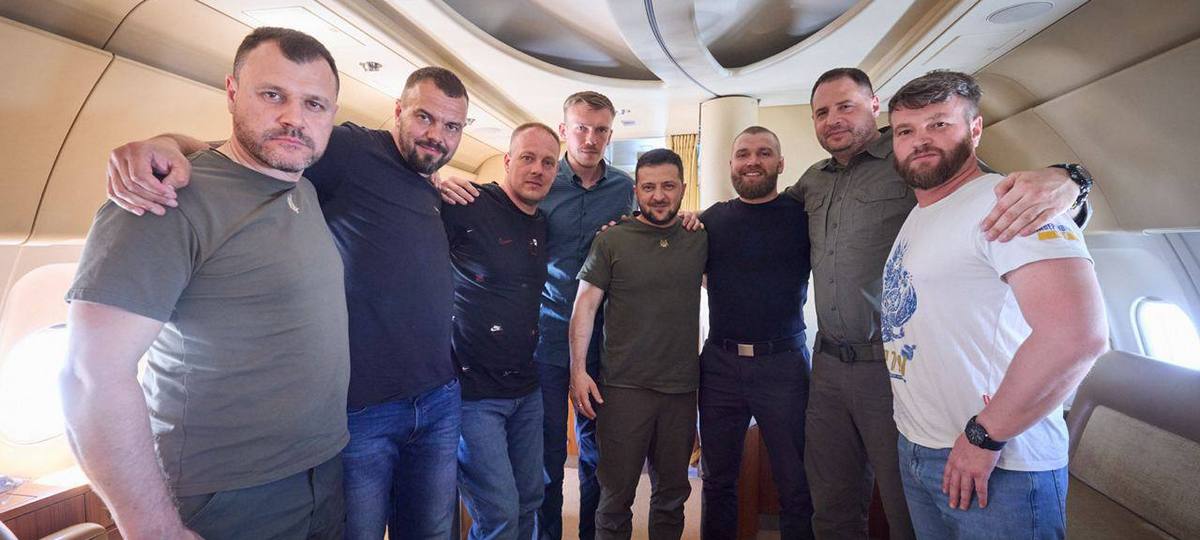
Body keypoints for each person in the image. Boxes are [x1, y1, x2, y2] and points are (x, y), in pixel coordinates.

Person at [103, 66, 473, 539]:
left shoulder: (430, 180)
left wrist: (441, 181)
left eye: (451, 126)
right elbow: (245, 155)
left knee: (433, 531)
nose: (436, 135)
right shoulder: (351, 149)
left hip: (439, 395)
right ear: (398, 111)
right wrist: (166, 144)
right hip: (364, 407)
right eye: (424, 118)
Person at [60, 27, 347, 539]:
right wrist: (153, 529)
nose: (294, 118)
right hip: (227, 494)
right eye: (272, 95)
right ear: (232, 92)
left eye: (314, 104)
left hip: (323, 471)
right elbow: (89, 376)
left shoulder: (303, 188)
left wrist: (171, 139)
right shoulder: (163, 197)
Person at [785, 67, 1093, 540]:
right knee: (832, 501)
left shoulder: (924, 169)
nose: (833, 119)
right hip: (842, 369)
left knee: (901, 513)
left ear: (874, 108)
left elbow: (1022, 200)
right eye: (821, 112)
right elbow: (764, 219)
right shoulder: (818, 182)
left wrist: (1071, 179)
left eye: (846, 105)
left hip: (890, 372)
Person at [883, 70, 1107, 538]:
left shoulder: (1009, 201)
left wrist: (984, 436)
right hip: (921, 448)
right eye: (906, 130)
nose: (920, 140)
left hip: (999, 464)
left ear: (975, 129)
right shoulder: (921, 214)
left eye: (939, 124)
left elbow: (1077, 337)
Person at [439, 91, 635, 540]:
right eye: (581, 128)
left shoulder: (624, 189)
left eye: (601, 130)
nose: (590, 138)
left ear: (610, 135)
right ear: (565, 130)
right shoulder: (542, 181)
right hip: (541, 339)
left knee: (596, 454)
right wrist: (436, 183)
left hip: (599, 341)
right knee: (546, 461)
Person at [570, 148, 707, 540]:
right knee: (614, 499)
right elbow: (584, 307)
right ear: (636, 191)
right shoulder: (612, 239)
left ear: (683, 188)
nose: (658, 196)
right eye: (648, 187)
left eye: (668, 186)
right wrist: (578, 371)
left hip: (681, 391)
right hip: (622, 390)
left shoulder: (698, 237)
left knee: (672, 497)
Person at [444, 123, 559, 540]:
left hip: (527, 389)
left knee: (529, 501)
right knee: (499, 515)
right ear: (508, 161)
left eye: (548, 162)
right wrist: (433, 182)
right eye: (527, 158)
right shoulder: (467, 203)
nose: (537, 169)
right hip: (473, 394)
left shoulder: (542, 223)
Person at [699, 126, 814, 539]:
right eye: (744, 154)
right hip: (720, 366)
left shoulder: (804, 216)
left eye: (764, 153)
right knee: (716, 480)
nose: (752, 161)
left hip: (784, 366)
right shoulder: (709, 221)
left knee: (796, 484)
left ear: (780, 164)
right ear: (731, 164)